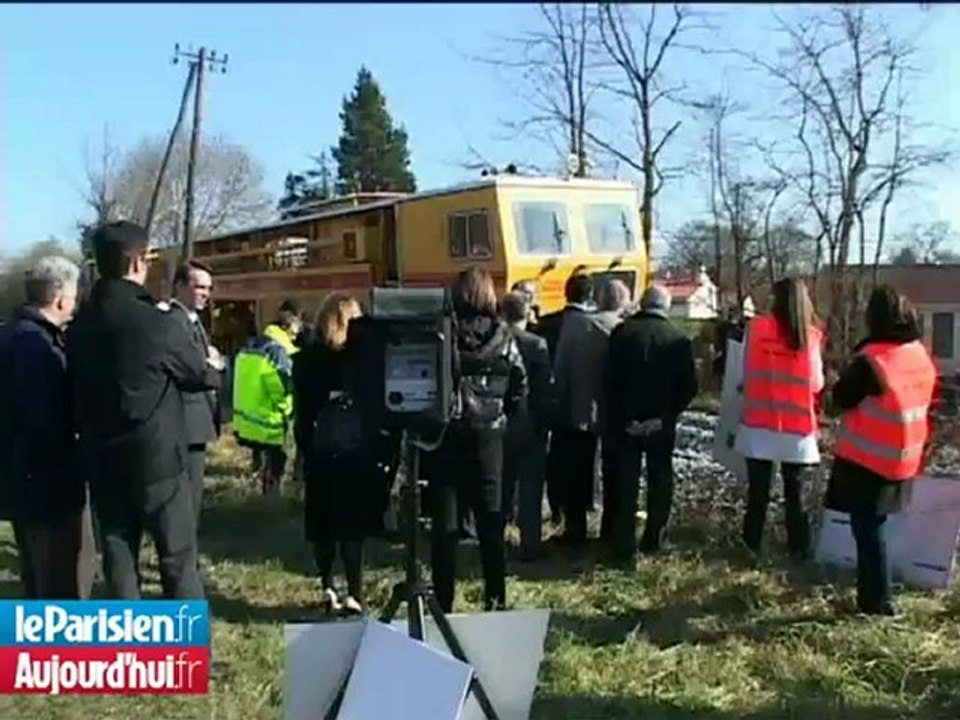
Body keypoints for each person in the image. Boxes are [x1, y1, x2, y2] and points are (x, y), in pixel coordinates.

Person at [67, 221, 221, 599]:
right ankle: (184, 651)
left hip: (102, 457)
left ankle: (132, 649)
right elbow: (200, 376)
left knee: (119, 559)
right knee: (177, 560)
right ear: (137, 262)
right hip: (157, 462)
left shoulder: (80, 323)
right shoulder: (156, 321)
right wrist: (214, 367)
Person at [826, 286, 937, 616]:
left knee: (869, 534)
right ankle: (876, 598)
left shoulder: (872, 362)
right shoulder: (917, 353)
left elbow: (840, 401)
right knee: (877, 530)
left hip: (868, 460)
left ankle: (878, 603)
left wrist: (834, 380)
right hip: (904, 456)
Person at [430, 267, 527, 612]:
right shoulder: (505, 338)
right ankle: (495, 600)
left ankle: (443, 602)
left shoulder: (443, 334)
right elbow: (519, 386)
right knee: (491, 524)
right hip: (490, 438)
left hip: (447, 434)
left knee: (445, 527)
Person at [293, 293, 395, 614]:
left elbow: (301, 414)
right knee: (353, 528)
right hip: (356, 453)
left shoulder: (306, 360)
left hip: (320, 451)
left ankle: (327, 585)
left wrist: (305, 450)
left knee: (322, 525)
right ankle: (354, 590)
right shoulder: (363, 360)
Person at [3, 257, 97, 599]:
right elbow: (45, 419)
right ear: (60, 299)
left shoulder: (11, 333)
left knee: (37, 579)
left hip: (21, 481)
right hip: (48, 486)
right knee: (59, 583)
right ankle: (60, 651)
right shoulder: (37, 346)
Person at [606, 285, 698, 560]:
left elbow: (609, 379)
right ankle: (654, 538)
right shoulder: (679, 339)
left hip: (626, 422)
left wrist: (626, 417)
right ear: (666, 307)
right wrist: (665, 416)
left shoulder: (621, 334)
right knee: (660, 479)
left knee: (626, 482)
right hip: (661, 423)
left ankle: (623, 542)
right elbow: (689, 386)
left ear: (643, 304)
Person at [735, 277, 824, 560]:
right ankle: (799, 551)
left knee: (758, 495)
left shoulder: (757, 328)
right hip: (796, 429)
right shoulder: (810, 336)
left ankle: (750, 547)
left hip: (758, 424)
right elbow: (816, 383)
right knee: (795, 498)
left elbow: (742, 373)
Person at [553, 273, 618, 548]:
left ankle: (575, 527)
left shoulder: (572, 327)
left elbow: (561, 370)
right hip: (610, 410)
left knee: (575, 471)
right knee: (612, 471)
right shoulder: (612, 327)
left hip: (576, 409)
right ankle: (609, 530)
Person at [161, 261, 223, 530]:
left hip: (196, 422)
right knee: (186, 498)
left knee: (192, 497)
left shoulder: (192, 321)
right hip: (184, 422)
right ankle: (185, 563)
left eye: (208, 288)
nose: (205, 294)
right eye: (198, 287)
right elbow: (194, 369)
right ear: (179, 286)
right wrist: (213, 367)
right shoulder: (173, 321)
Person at [536, 272, 594, 526]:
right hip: (582, 405)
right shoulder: (592, 326)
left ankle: (555, 505)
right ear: (590, 295)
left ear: (565, 293)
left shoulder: (547, 324)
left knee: (554, 458)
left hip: (551, 401)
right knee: (582, 463)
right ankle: (578, 513)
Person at [232, 300, 303, 497]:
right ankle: (269, 499)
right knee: (276, 463)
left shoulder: (253, 344)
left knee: (263, 461)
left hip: (246, 422)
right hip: (268, 422)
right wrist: (288, 411)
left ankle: (257, 488)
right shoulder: (278, 352)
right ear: (290, 326)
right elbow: (280, 389)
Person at [500, 290, 552, 560]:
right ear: (526, 312)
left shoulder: (494, 341)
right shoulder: (537, 344)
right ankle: (530, 542)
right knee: (531, 486)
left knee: (500, 485)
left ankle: (496, 540)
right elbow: (543, 390)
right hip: (529, 421)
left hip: (498, 422)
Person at [593, 278, 631, 544]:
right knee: (622, 473)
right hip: (622, 410)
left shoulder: (587, 325)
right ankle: (618, 529)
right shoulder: (624, 329)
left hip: (599, 405)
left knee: (607, 471)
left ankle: (606, 526)